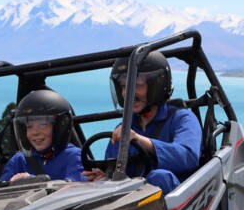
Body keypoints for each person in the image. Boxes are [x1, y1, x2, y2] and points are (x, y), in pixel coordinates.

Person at [83, 51, 201, 195]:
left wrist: (140, 140)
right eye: (123, 87)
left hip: (179, 203)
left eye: (136, 85)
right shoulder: (124, 128)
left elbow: (188, 157)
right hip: (134, 204)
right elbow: (116, 169)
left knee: (159, 177)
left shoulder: (183, 119)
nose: (127, 93)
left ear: (157, 85)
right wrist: (104, 176)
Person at [0, 89, 86, 195]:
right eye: (29, 127)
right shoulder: (20, 160)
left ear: (60, 126)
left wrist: (33, 181)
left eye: (43, 125)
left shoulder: (73, 156)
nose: (35, 132)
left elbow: (73, 191)